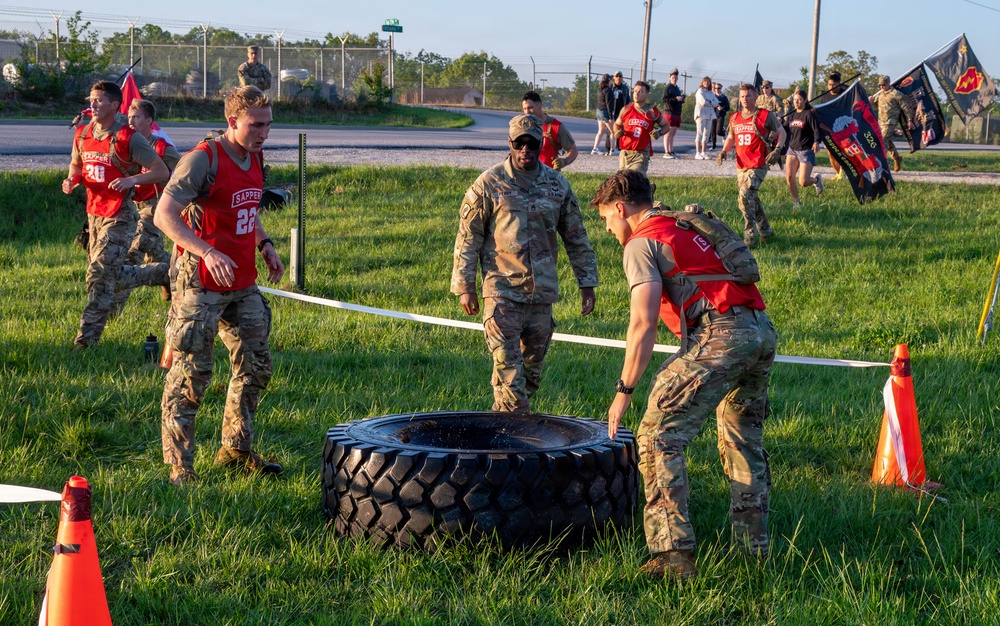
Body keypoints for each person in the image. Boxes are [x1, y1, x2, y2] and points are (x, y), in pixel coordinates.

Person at [590, 169, 777, 581]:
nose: (608, 229)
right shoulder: (681, 226)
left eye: (606, 219)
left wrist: (624, 390)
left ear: (621, 208)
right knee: (743, 441)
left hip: (721, 337)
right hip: (760, 331)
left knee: (657, 438)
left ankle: (673, 557)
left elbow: (643, 323)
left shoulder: (641, 242)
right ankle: (754, 553)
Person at [154, 85, 284, 486]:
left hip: (243, 280)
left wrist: (264, 243)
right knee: (192, 375)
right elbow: (164, 216)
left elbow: (247, 206)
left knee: (256, 366)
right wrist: (207, 252)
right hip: (202, 283)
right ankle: (181, 467)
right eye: (255, 125)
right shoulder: (202, 160)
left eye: (268, 125)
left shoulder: (254, 155)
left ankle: (235, 448)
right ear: (232, 121)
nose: (264, 132)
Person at [450, 114, 598, 413]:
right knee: (510, 375)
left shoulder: (557, 185)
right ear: (510, 143)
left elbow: (576, 237)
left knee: (530, 375)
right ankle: (512, 440)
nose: (525, 150)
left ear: (541, 144)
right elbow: (468, 238)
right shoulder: (488, 184)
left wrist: (587, 282)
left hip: (541, 295)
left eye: (532, 143)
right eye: (520, 143)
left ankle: (500, 426)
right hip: (502, 292)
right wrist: (465, 286)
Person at [62, 80, 170, 348]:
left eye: (98, 100)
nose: (92, 104)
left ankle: (85, 343)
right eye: (90, 99)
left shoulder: (128, 137)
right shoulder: (83, 134)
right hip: (93, 215)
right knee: (108, 275)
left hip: (120, 215)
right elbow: (76, 165)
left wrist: (132, 181)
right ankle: (163, 273)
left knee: (99, 275)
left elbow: (160, 171)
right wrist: (70, 181)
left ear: (114, 105)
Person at [111, 99, 182, 311]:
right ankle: (170, 275)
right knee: (155, 254)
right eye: (130, 117)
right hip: (133, 207)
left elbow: (184, 172)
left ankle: (111, 310)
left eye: (137, 117)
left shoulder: (161, 147)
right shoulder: (128, 145)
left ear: (149, 121)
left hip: (155, 207)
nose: (131, 121)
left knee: (132, 253)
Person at [716, 84, 786, 248]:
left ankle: (749, 236)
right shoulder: (734, 117)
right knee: (752, 199)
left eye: (748, 96)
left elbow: (782, 132)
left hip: (758, 165)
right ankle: (766, 232)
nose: (745, 99)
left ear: (756, 97)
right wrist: (724, 152)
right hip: (741, 166)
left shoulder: (765, 115)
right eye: (742, 96)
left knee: (744, 197)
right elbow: (731, 137)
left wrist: (777, 150)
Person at [613, 81, 669, 174]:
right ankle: (647, 187)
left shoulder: (652, 111)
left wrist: (659, 133)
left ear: (647, 95)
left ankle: (645, 186)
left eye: (640, 91)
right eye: (635, 91)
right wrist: (617, 131)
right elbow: (617, 124)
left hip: (641, 155)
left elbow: (666, 126)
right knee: (622, 183)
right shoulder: (626, 108)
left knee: (633, 178)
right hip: (625, 153)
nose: (636, 93)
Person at [783, 89, 824, 211]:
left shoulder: (809, 114)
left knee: (803, 182)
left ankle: (816, 180)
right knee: (789, 177)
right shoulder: (791, 115)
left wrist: (816, 142)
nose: (797, 102)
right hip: (792, 149)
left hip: (806, 150)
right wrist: (778, 122)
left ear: (805, 100)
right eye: (795, 100)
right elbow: (784, 128)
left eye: (799, 100)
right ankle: (797, 202)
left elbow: (817, 130)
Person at [522, 91, 578, 171]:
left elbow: (573, 150)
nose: (527, 112)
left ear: (539, 106)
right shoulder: (522, 126)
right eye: (524, 109)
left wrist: (565, 161)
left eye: (530, 108)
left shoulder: (556, 127)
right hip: (527, 176)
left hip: (549, 178)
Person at [870, 74, 914, 172]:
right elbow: (874, 106)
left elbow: (906, 108)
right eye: (880, 85)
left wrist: (910, 120)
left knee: (882, 141)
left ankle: (880, 164)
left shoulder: (896, 94)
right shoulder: (880, 94)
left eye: (884, 85)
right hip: (880, 122)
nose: (882, 87)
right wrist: (870, 101)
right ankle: (897, 158)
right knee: (886, 141)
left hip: (890, 122)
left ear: (889, 83)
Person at [820, 72, 846, 180]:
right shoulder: (825, 95)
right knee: (831, 153)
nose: (831, 87)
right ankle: (838, 173)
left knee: (842, 153)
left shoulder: (845, 95)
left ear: (839, 84)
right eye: (829, 84)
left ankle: (843, 172)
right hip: (828, 129)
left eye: (833, 85)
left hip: (842, 129)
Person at [660, 69, 685, 159]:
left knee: (673, 133)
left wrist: (681, 99)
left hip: (677, 112)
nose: (674, 78)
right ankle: (666, 152)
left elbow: (678, 99)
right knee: (668, 133)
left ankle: (671, 150)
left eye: (676, 77)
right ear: (670, 78)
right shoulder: (668, 88)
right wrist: (675, 99)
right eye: (673, 77)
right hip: (669, 112)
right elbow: (664, 99)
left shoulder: (677, 88)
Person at [693, 76, 719, 160]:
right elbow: (703, 102)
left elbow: (716, 102)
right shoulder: (700, 91)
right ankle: (697, 152)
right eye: (705, 82)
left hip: (710, 114)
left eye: (708, 82)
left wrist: (710, 101)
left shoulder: (711, 93)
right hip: (701, 114)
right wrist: (711, 102)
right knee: (699, 133)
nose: (706, 83)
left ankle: (703, 152)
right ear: (702, 82)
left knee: (706, 134)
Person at [609, 72, 631, 156]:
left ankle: (619, 147)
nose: (618, 78)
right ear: (614, 77)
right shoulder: (611, 87)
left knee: (620, 130)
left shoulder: (625, 87)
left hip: (622, 111)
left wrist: (628, 109)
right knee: (611, 130)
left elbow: (628, 100)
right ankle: (610, 148)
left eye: (620, 76)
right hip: (613, 110)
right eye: (617, 76)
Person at [592, 74, 614, 155]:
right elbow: (608, 103)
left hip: (599, 111)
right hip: (605, 112)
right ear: (609, 81)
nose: (612, 81)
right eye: (611, 79)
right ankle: (613, 150)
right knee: (613, 131)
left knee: (600, 131)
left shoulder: (600, 89)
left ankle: (594, 149)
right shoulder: (608, 90)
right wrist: (611, 116)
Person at [711, 82, 730, 151]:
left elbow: (728, 107)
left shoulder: (724, 97)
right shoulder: (713, 96)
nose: (717, 89)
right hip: (713, 115)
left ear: (721, 88)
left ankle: (723, 132)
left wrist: (722, 108)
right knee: (712, 131)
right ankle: (714, 146)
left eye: (718, 88)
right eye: (715, 88)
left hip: (720, 116)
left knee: (718, 131)